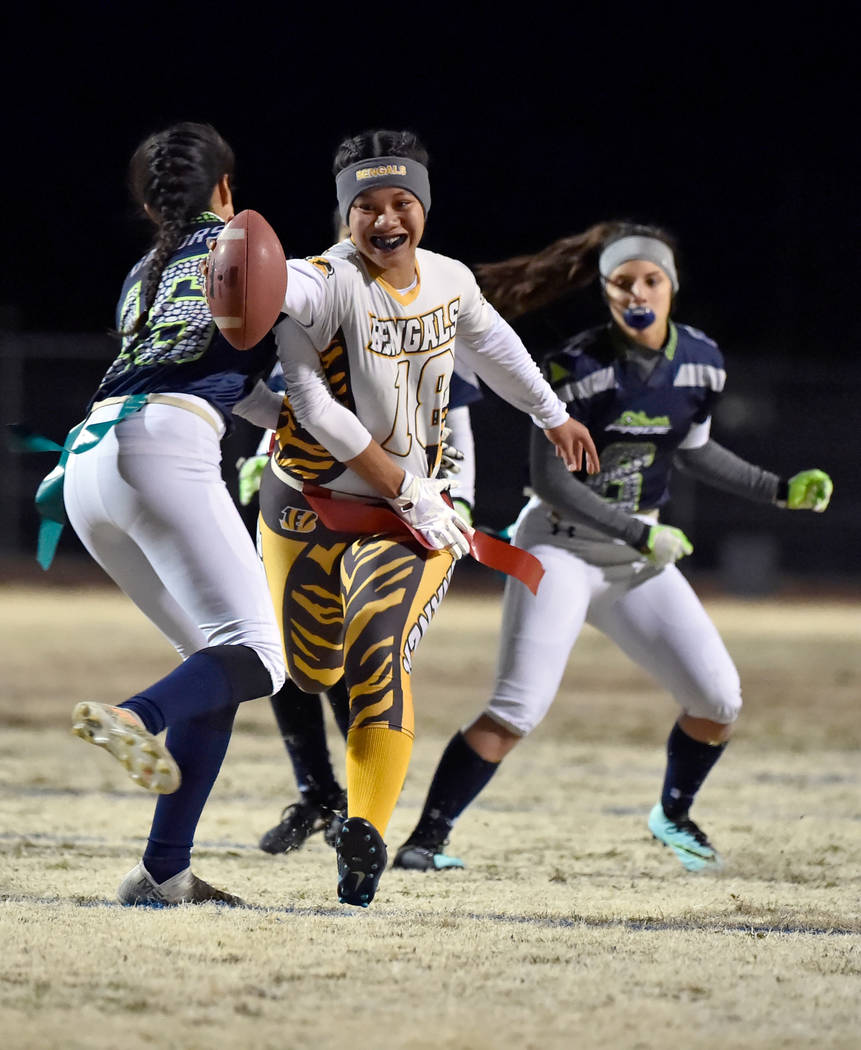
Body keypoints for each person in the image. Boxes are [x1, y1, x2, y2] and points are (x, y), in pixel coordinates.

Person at [393, 221, 834, 874]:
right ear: (603, 292)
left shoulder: (701, 360)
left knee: (718, 702)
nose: (637, 292)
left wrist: (777, 490)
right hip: (559, 552)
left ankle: (672, 814)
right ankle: (424, 841)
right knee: (517, 707)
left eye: (650, 279)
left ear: (671, 286)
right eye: (622, 281)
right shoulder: (577, 366)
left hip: (634, 559)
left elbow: (694, 448)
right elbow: (549, 480)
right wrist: (638, 530)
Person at [229, 128, 599, 906]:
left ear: (424, 208)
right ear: (343, 216)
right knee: (306, 670)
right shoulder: (319, 283)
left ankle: (364, 832)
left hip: (408, 519)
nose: (385, 217)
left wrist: (551, 414)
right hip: (306, 502)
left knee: (376, 656)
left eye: (402, 201)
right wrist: (228, 269)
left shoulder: (450, 280)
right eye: (366, 205)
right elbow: (315, 406)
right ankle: (327, 792)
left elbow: (494, 342)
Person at [58, 122, 286, 905]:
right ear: (226, 187)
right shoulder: (244, 245)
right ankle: (135, 714)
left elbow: (214, 369)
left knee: (217, 669)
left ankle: (163, 872)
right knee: (260, 657)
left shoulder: (141, 272)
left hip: (88, 460)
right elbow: (252, 377)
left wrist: (275, 416)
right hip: (163, 449)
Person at [249, 367, 481, 857]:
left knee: (364, 641)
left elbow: (452, 416)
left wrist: (460, 495)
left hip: (390, 507)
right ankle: (318, 793)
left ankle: (359, 811)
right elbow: (285, 398)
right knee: (288, 648)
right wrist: (262, 456)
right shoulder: (319, 310)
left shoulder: (422, 311)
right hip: (304, 497)